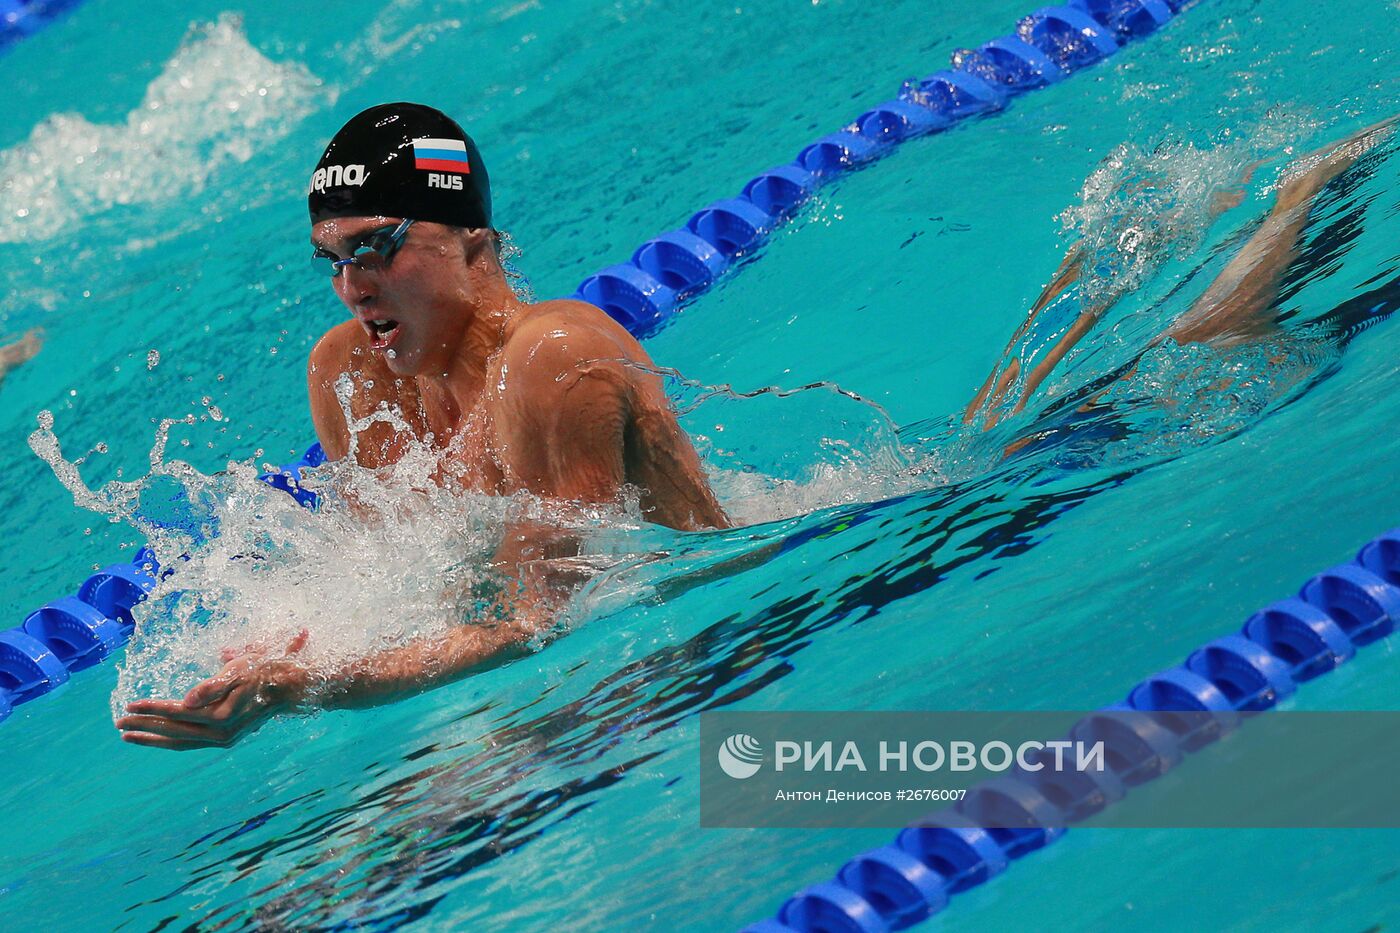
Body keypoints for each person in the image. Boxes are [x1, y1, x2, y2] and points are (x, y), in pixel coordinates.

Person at [117, 103, 729, 751]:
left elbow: (542, 619)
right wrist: (290, 646)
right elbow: (402, 584)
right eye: (333, 259)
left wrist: (315, 683)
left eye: (376, 247)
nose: (352, 287)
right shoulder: (351, 373)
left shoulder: (551, 357)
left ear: (469, 235)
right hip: (561, 688)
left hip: (708, 650)